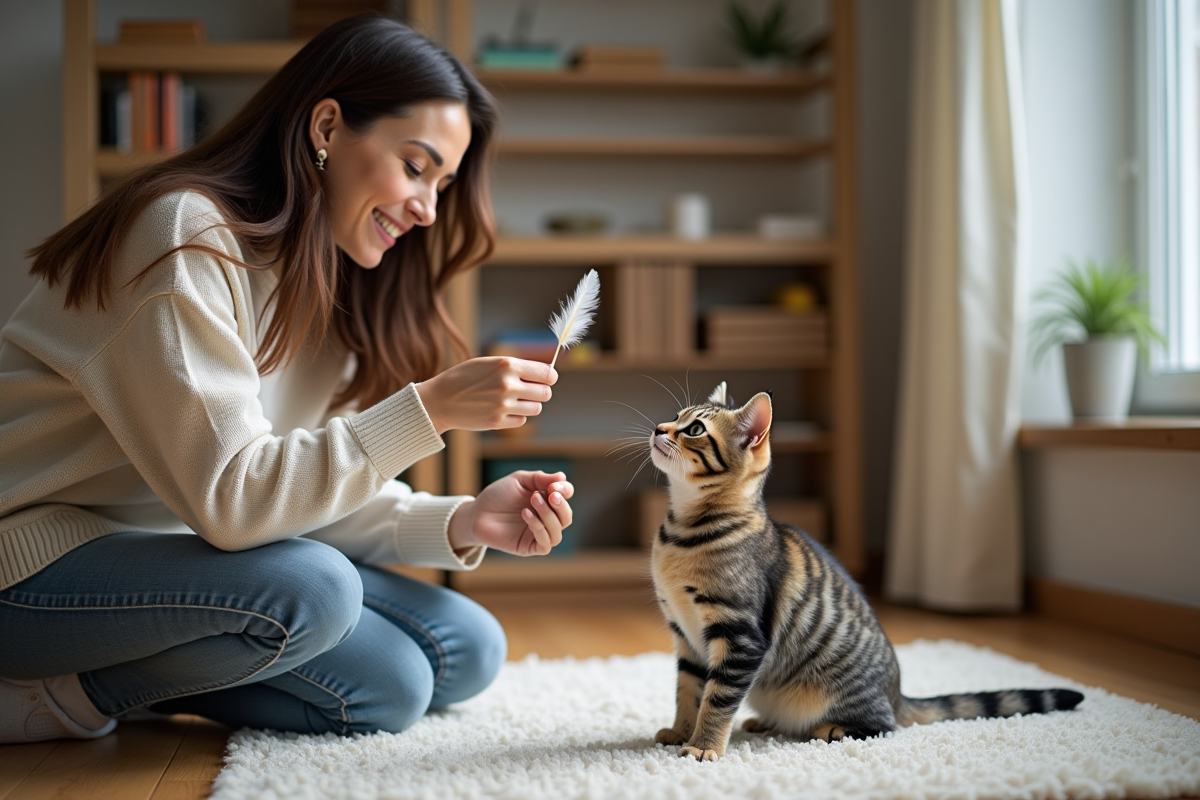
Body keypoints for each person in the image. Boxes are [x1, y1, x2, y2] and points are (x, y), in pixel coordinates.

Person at [0, 15, 575, 743]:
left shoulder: (325, 274)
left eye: (445, 183)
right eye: (416, 166)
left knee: (453, 654)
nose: (430, 208)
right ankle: (57, 699)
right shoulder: (185, 233)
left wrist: (461, 520)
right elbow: (238, 502)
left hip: (193, 562)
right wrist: (427, 409)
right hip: (32, 569)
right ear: (328, 126)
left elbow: (294, 492)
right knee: (315, 590)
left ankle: (173, 671)